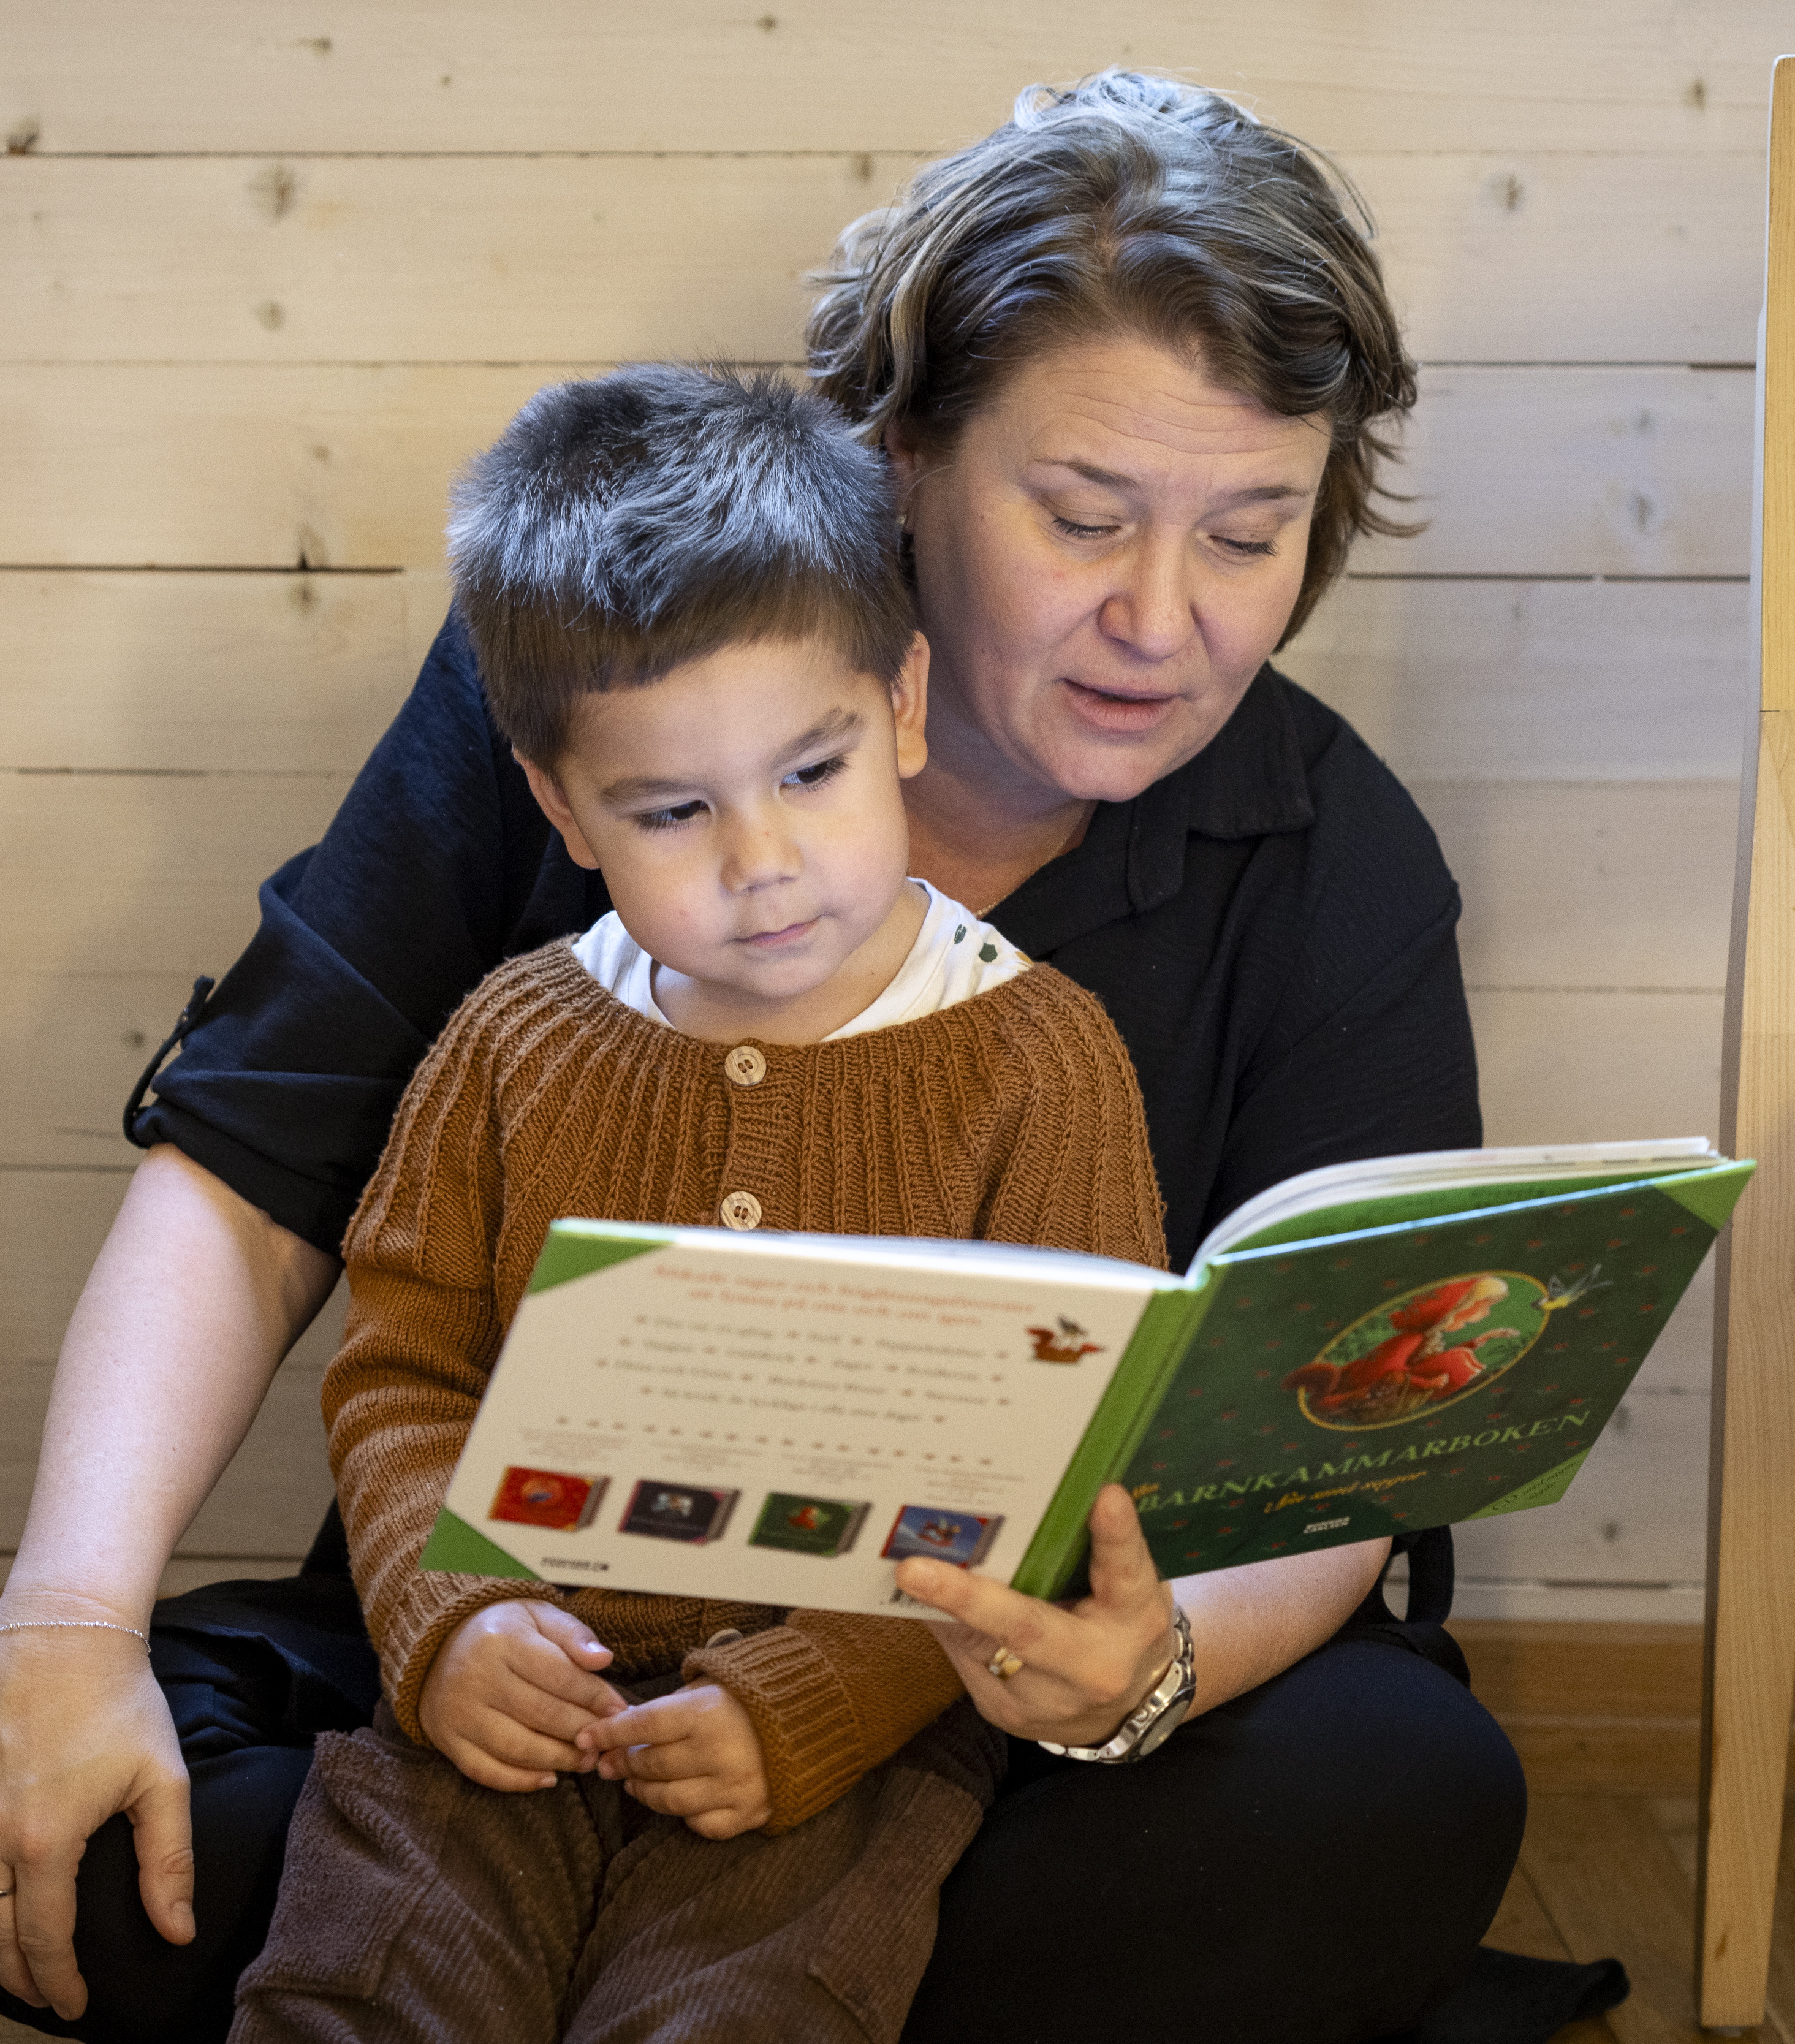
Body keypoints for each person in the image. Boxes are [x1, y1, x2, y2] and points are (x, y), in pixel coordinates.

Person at [0, 70, 1612, 2044]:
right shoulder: (600, 677)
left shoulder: (1333, 858)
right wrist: (64, 1626)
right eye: (1081, 520)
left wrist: (1131, 1673)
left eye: (1250, 534)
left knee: (1392, 1801)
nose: (1165, 623)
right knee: (111, 1853)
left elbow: (1342, 1461)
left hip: (979, 1710)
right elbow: (258, 1168)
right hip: (528, 1672)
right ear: (896, 463)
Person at [228, 359, 1178, 2040]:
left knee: (745, 2013)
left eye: (809, 774)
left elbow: (1070, 1473)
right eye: (674, 810)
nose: (760, 863)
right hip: (502, 1711)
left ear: (901, 708)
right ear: (560, 806)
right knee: (351, 1986)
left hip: (831, 1758)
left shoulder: (1040, 1064)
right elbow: (402, 1370)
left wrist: (817, 1697)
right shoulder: (516, 1043)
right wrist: (451, 1627)